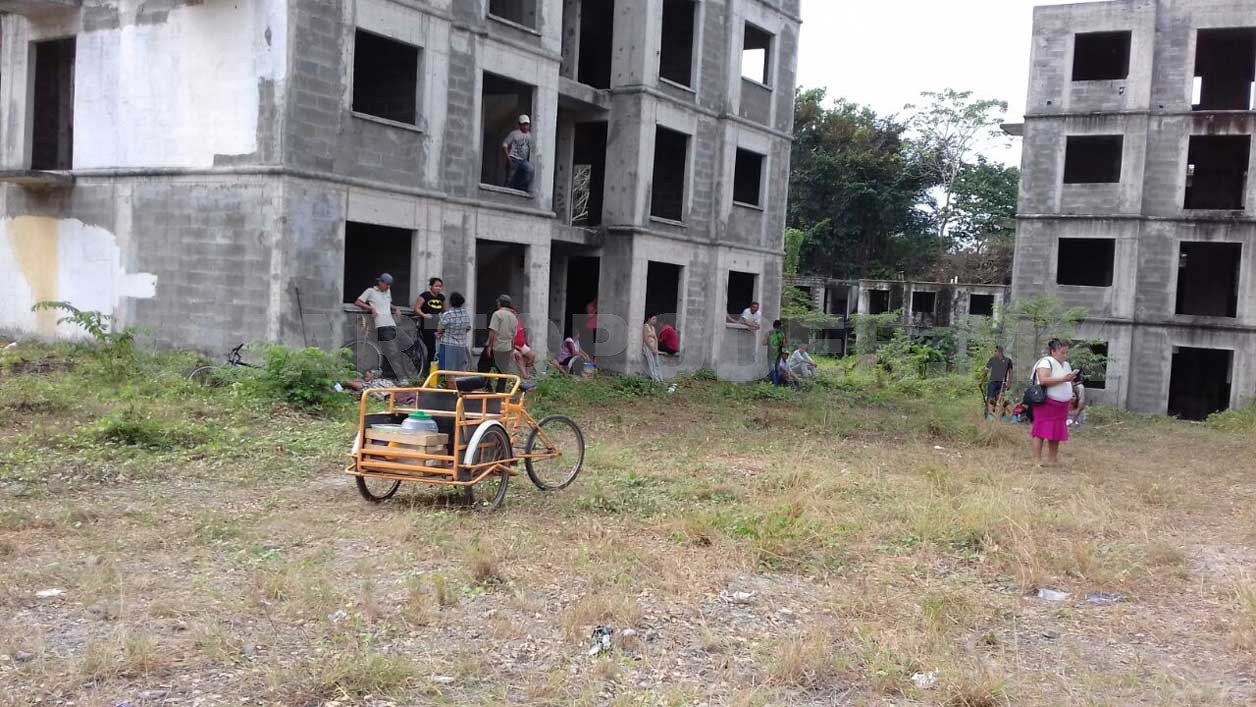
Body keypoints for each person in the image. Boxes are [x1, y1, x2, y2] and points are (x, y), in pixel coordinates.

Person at [1031, 339, 1079, 466]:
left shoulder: (1066, 365)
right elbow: (1043, 380)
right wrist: (1064, 379)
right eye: (1062, 352)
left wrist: (1072, 381)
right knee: (1040, 430)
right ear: (1053, 351)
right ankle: (1037, 460)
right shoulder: (1045, 362)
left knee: (1056, 432)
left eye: (1066, 353)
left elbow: (1067, 381)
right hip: (1047, 402)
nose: (1065, 355)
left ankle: (1052, 459)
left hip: (1061, 404)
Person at [354, 274, 402, 375]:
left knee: (391, 350)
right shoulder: (370, 291)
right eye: (387, 284)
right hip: (382, 324)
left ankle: (388, 373)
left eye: (390, 285)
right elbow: (358, 302)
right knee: (392, 351)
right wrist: (370, 308)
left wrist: (396, 308)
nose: (388, 287)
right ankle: (400, 376)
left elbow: (387, 304)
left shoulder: (388, 291)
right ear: (380, 282)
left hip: (391, 323)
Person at [486, 295, 520, 382]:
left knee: (483, 368)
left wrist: (489, 347)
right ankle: (501, 392)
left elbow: (493, 332)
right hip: (507, 348)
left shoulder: (497, 314)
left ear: (500, 303)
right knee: (503, 372)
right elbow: (513, 337)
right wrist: (512, 351)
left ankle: (486, 388)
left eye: (498, 302)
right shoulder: (513, 317)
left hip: (496, 346)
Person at [436, 291, 471, 373]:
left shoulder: (448, 314)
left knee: (448, 372)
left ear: (451, 302)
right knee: (459, 371)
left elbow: (439, 329)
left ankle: (450, 385)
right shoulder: (465, 314)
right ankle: (458, 385)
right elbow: (468, 328)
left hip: (448, 345)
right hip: (461, 346)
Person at [414, 277, 445, 366]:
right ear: (431, 286)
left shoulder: (441, 297)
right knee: (431, 347)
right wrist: (424, 315)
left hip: (437, 323)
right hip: (427, 323)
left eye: (440, 286)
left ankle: (438, 367)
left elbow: (444, 311)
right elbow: (416, 308)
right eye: (436, 286)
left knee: (438, 347)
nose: (438, 288)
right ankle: (430, 370)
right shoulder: (425, 295)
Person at [502, 114, 534, 191]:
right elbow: (505, 144)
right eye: (524, 124)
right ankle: (506, 191)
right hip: (514, 158)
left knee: (530, 170)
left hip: (523, 160)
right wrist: (508, 157)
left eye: (527, 125)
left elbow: (531, 148)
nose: (526, 127)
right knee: (510, 178)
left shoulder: (530, 136)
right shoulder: (514, 133)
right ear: (520, 125)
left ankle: (521, 188)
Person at [984, 346, 1014, 419]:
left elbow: (1011, 372)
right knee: (990, 398)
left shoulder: (1008, 360)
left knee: (1000, 398)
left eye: (995, 351)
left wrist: (1009, 383)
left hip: (1002, 383)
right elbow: (986, 370)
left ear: (1000, 352)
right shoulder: (992, 359)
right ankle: (990, 415)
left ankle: (1001, 415)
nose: (994, 353)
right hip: (992, 382)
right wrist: (982, 380)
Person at [511, 308, 536, 379]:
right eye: (512, 313)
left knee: (532, 356)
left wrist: (526, 344)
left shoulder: (519, 322)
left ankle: (528, 373)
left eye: (514, 313)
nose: (514, 314)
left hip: (522, 345)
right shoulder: (510, 324)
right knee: (519, 356)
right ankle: (525, 375)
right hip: (513, 345)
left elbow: (522, 335)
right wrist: (515, 347)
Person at [642, 313, 664, 383]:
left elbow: (656, 338)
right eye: (653, 319)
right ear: (649, 319)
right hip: (648, 347)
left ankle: (660, 379)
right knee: (652, 363)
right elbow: (645, 339)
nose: (655, 321)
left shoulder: (653, 328)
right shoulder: (646, 326)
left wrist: (656, 349)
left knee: (657, 363)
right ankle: (655, 379)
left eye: (655, 319)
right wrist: (651, 349)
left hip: (654, 347)